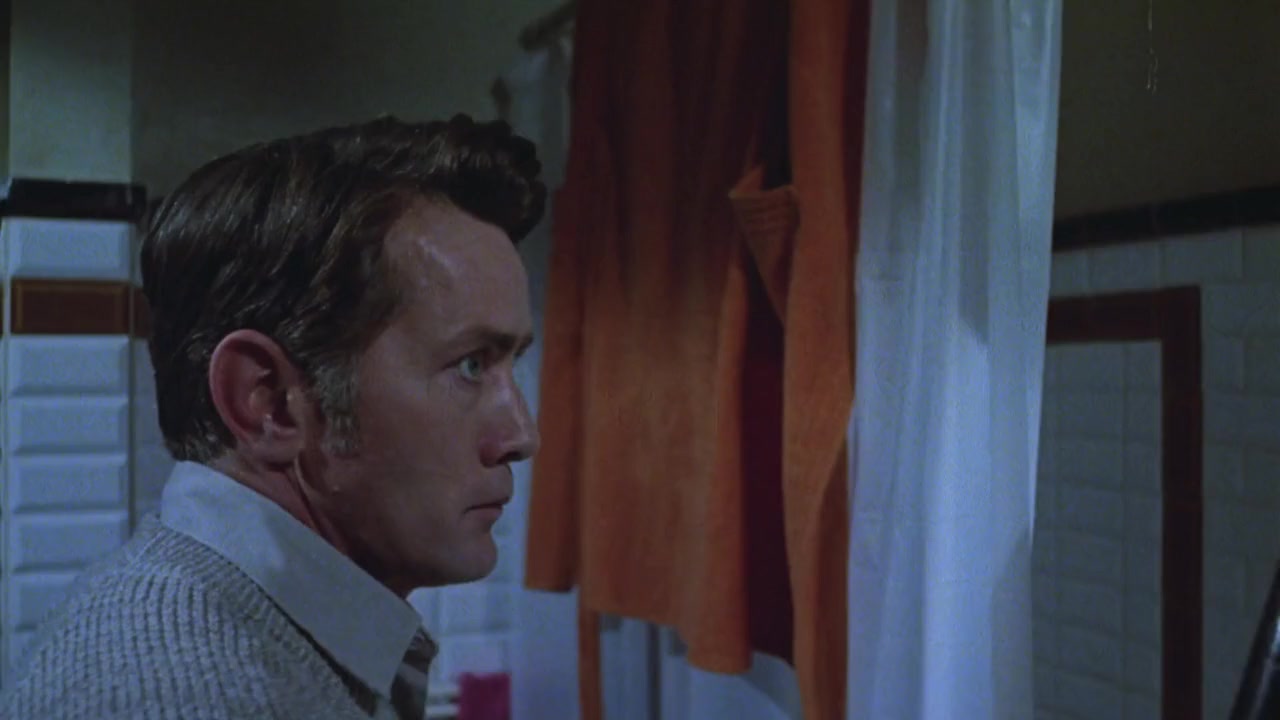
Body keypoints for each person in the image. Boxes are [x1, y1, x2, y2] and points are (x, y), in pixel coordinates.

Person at [0, 115, 544, 720]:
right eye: (471, 365)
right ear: (268, 402)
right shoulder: (192, 699)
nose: (521, 436)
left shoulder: (214, 628)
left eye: (511, 363)